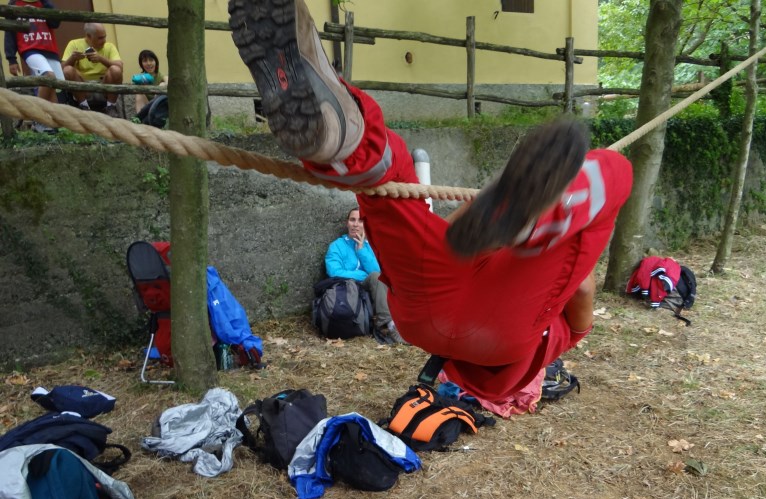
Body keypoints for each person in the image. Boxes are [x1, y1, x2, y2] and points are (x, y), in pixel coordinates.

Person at [228, 0, 633, 407]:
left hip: (463, 292)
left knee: (614, 172)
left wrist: (498, 222)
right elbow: (577, 287)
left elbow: (460, 237)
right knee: (385, 191)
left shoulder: (499, 259)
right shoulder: (538, 347)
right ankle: (341, 139)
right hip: (433, 327)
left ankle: (551, 210)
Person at [325, 207, 405, 344]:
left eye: (360, 221)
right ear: (347, 223)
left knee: (379, 277)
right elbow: (334, 272)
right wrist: (362, 274)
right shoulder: (337, 246)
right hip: (347, 287)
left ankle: (394, 325)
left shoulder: (371, 246)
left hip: (369, 285)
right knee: (374, 276)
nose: (355, 224)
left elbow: (378, 273)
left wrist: (362, 250)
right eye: (352, 220)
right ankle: (386, 325)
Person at [4, 0, 63, 131]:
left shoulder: (45, 3)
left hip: (50, 49)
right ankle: (37, 119)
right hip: (29, 48)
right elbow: (9, 32)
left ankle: (52, 126)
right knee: (48, 76)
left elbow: (55, 23)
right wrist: (11, 59)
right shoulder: (14, 3)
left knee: (54, 88)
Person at [61, 22, 123, 117]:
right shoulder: (74, 44)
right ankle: (84, 106)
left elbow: (120, 67)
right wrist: (72, 58)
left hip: (104, 86)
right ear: (88, 36)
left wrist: (101, 59)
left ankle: (111, 106)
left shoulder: (109, 46)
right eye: (100, 38)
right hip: (83, 87)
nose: (104, 41)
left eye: (104, 37)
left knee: (116, 69)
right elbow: (62, 69)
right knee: (68, 70)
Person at [132, 48, 167, 113]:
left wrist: (164, 83)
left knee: (162, 85)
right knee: (139, 93)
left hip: (160, 108)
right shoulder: (141, 78)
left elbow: (168, 80)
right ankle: (139, 118)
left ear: (156, 62)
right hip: (147, 108)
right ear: (141, 64)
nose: (148, 63)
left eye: (151, 60)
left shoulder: (160, 76)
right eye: (145, 61)